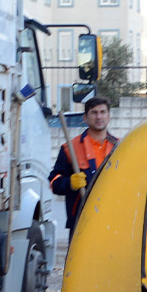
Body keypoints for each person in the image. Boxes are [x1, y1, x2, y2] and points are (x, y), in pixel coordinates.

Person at [50, 98, 117, 232]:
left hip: (113, 222)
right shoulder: (70, 149)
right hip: (81, 222)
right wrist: (70, 183)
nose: (99, 116)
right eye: (94, 113)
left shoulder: (120, 147)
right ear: (85, 118)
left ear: (109, 116)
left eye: (103, 112)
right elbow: (53, 182)